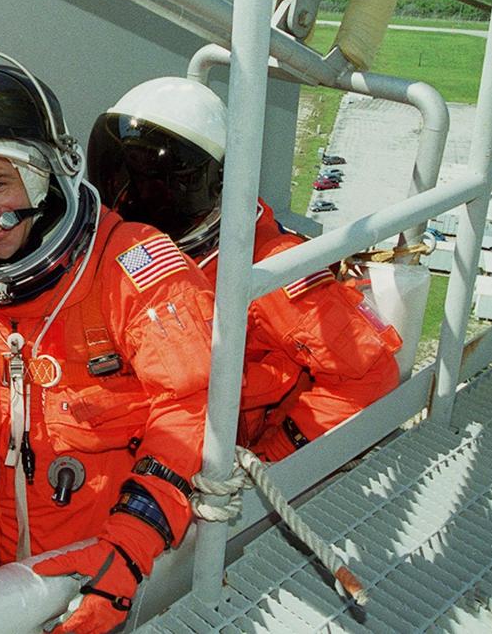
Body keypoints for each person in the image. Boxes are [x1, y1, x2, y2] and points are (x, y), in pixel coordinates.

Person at [0, 49, 216, 634]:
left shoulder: (131, 266)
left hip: (121, 565)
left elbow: (193, 408)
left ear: (44, 174)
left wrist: (131, 544)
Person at [88, 76, 401, 462]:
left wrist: (269, 466)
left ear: (218, 183)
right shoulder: (133, 246)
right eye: (128, 176)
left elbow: (367, 377)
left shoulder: (268, 270)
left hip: (213, 444)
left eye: (161, 182)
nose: (135, 195)